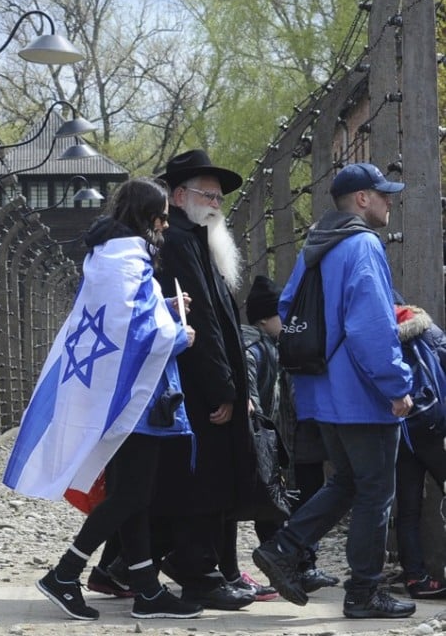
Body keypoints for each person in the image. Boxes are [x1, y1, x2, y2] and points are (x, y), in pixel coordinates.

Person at [4, 178, 201, 621]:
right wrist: (176, 336)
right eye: (163, 215)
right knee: (132, 494)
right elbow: (128, 328)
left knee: (134, 495)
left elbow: (123, 316)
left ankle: (147, 591)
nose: (167, 224)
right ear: (149, 217)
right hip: (133, 398)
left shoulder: (112, 256)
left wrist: (165, 308)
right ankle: (65, 571)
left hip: (123, 391)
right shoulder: (127, 259)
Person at [251, 162, 415, 619]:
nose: (389, 201)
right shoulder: (362, 244)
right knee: (375, 491)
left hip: (322, 394)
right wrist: (396, 385)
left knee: (345, 482)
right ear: (362, 199)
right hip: (363, 395)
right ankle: (363, 593)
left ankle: (284, 548)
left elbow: (286, 311)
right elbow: (371, 327)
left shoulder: (315, 247)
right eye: (383, 193)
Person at [149, 149, 256, 610]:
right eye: (206, 194)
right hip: (195, 389)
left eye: (217, 197)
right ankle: (198, 572)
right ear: (178, 195)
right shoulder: (178, 241)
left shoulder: (194, 238)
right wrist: (224, 389)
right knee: (201, 480)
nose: (215, 203)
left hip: (204, 384)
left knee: (205, 479)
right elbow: (204, 326)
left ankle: (200, 567)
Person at [240, 275, 339, 596]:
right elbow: (252, 388)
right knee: (276, 507)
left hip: (283, 443)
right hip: (274, 444)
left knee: (278, 508)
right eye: (283, 313)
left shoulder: (275, 345)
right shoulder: (257, 346)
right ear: (266, 318)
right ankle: (287, 565)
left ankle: (298, 566)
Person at [391, 301, 446, 599]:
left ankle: (416, 578)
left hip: (400, 432)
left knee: (408, 509)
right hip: (433, 427)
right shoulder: (427, 330)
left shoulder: (378, 337)